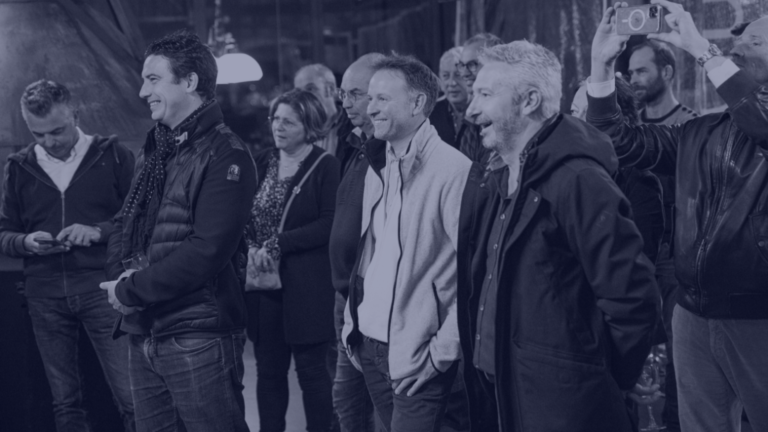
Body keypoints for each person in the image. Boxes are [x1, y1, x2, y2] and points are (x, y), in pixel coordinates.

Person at [460, 40, 660, 432]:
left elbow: (632, 299)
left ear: (529, 101)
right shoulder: (497, 175)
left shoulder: (579, 180)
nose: (471, 110)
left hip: (565, 407)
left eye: (485, 95)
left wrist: (599, 378)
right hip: (507, 392)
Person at [588, 2, 768, 431]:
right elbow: (616, 140)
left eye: (756, 41)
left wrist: (700, 47)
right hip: (691, 314)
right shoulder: (701, 130)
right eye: (738, 41)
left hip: (758, 315)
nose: (738, 48)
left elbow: (760, 121)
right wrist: (601, 65)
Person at [101, 30, 256, 432]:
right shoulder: (155, 147)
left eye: (153, 79)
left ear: (190, 82)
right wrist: (121, 280)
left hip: (197, 336)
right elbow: (124, 221)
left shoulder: (227, 153)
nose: (142, 92)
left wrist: (130, 290)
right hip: (144, 329)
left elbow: (207, 251)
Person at [341, 53, 473, 432]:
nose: (371, 108)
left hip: (421, 355)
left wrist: (441, 353)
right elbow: (370, 257)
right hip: (370, 346)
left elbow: (473, 274)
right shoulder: (379, 164)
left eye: (383, 99)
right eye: (370, 98)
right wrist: (353, 326)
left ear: (417, 104)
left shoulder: (454, 171)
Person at [0, 79, 135, 432]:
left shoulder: (114, 156)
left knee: (131, 396)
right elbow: (4, 233)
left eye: (57, 131)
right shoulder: (18, 167)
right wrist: (26, 242)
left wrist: (98, 231)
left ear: (75, 114)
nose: (49, 142)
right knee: (65, 402)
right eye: (38, 134)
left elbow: (138, 220)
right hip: (43, 296)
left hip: (103, 290)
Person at [244, 88, 340, 432]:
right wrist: (250, 244)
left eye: (289, 121)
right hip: (263, 286)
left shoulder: (325, 165)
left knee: (312, 375)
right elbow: (242, 213)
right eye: (275, 119)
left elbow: (330, 223)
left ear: (309, 126)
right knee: (268, 373)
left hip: (307, 288)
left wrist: (279, 243)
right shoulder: (262, 161)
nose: (278, 127)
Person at [628, 39, 698, 432]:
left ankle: (674, 423)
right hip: (630, 252)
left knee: (677, 350)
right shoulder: (627, 129)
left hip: (672, 255)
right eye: (630, 72)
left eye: (642, 70)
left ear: (667, 72)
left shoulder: (691, 125)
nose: (634, 79)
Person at [332, 52, 386, 432]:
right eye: (343, 94)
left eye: (355, 94)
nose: (346, 103)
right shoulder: (355, 145)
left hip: (373, 298)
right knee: (347, 402)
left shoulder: (389, 152)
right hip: (347, 296)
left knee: (377, 408)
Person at [456, 33, 503, 166]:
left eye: (472, 65)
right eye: (462, 65)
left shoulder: (506, 114)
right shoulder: (470, 112)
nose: (464, 73)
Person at [295, 64, 353, 158]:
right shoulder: (296, 130)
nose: (303, 96)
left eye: (310, 89)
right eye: (298, 92)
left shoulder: (353, 127)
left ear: (330, 89)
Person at [430, 47, 469, 148]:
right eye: (445, 76)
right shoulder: (429, 113)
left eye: (458, 75)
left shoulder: (483, 112)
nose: (452, 83)